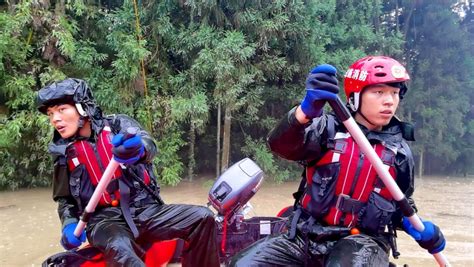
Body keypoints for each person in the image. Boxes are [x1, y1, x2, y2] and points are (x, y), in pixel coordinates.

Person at [229, 56, 446, 266]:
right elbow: (281, 145)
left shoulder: (400, 153)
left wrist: (414, 225)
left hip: (363, 242)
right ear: (355, 96)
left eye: (395, 93)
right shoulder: (326, 128)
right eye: (379, 92)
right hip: (306, 235)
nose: (389, 101)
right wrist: (304, 113)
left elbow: (401, 203)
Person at [36, 78, 220, 267]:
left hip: (145, 209)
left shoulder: (118, 124)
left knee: (202, 217)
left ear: (82, 107)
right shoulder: (62, 151)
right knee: (119, 246)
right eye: (50, 114)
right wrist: (68, 222)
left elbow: (149, 145)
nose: (55, 119)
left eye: (61, 110)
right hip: (104, 221)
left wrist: (139, 150)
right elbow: (64, 199)